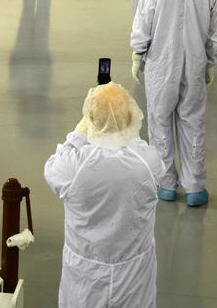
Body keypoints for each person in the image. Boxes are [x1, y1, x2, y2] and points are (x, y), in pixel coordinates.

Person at [131, 0, 217, 207]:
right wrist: (211, 62)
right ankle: (195, 187)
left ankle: (165, 184)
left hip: (161, 63)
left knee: (159, 121)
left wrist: (138, 53)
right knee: (192, 121)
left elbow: (143, 20)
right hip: (194, 64)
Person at [44, 82, 161, 308]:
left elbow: (52, 168)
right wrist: (124, 130)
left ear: (90, 120)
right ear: (130, 118)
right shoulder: (146, 162)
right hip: (134, 275)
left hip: (86, 277)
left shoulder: (74, 166)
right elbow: (147, 157)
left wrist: (78, 135)